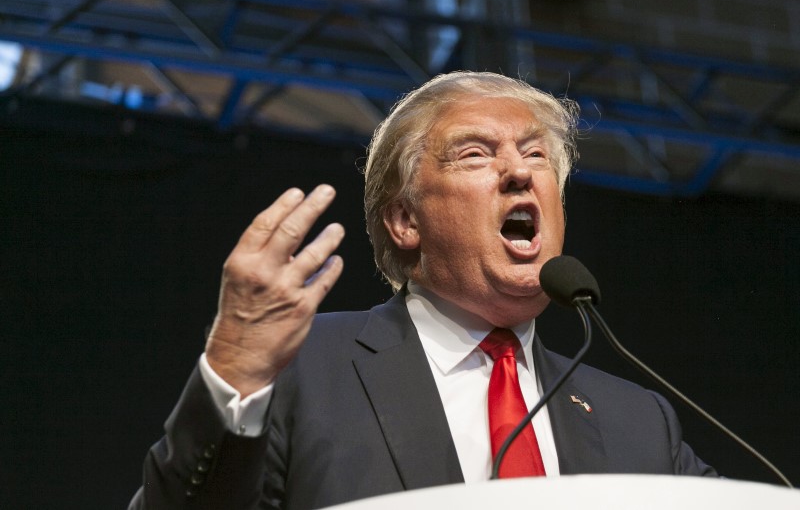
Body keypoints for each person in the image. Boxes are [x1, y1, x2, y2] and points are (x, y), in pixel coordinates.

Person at [130, 71, 716, 509]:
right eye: (475, 154)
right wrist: (233, 366)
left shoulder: (638, 421)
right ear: (406, 221)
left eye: (535, 154)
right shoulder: (303, 372)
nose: (519, 171)